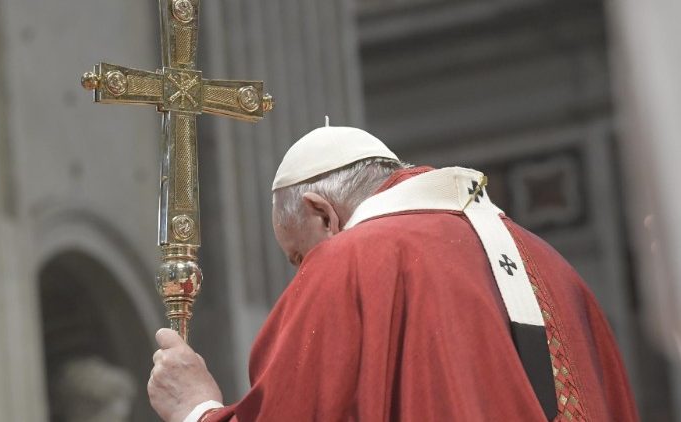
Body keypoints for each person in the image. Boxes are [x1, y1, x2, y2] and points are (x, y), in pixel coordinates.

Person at [147, 126, 638, 421]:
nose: (303, 275)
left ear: (323, 215)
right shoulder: (554, 266)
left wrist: (196, 408)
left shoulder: (352, 261)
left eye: (298, 257)